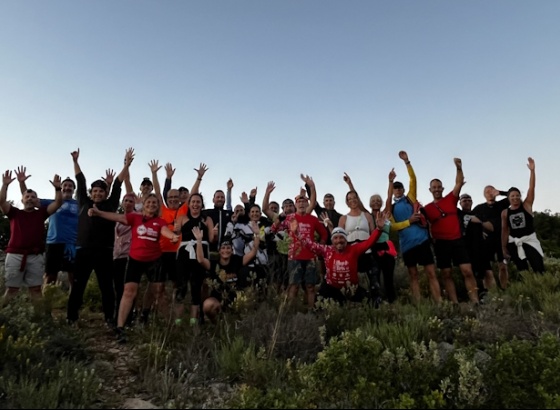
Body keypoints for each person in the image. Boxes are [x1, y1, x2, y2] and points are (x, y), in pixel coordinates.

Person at [88, 193, 179, 342]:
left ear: (157, 207)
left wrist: (173, 237)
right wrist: (98, 213)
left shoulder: (159, 221)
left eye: (154, 203)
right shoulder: (135, 218)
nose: (151, 204)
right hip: (135, 260)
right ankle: (120, 328)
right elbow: (117, 217)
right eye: (149, 202)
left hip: (154, 261)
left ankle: (172, 326)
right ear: (144, 204)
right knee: (129, 292)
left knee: (159, 293)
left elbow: (165, 231)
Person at [66, 147, 134, 326]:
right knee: (78, 286)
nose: (97, 194)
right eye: (95, 191)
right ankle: (71, 318)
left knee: (106, 288)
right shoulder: (83, 201)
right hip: (83, 251)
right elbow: (80, 180)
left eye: (101, 191)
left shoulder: (111, 204)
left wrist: (126, 165)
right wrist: (75, 162)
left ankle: (109, 318)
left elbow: (118, 183)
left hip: (105, 252)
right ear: (91, 192)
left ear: (105, 193)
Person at [290, 211, 389, 305]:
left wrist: (379, 229)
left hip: (351, 288)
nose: (339, 241)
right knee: (318, 304)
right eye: (335, 238)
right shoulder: (327, 250)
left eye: (341, 237)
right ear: (332, 241)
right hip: (331, 288)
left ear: (346, 240)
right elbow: (310, 244)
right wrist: (297, 233)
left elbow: (369, 242)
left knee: (369, 303)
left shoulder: (354, 249)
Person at [0, 170, 62, 306]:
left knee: (36, 290)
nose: (29, 198)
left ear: (37, 201)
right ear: (22, 200)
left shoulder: (41, 213)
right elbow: (1, 201)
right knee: (11, 290)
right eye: (27, 196)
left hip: (35, 255)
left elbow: (58, 203)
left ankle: (41, 320)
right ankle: (3, 317)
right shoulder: (14, 213)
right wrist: (5, 185)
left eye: (33, 197)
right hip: (15, 255)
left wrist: (58, 188)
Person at [423, 158, 479, 304]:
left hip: (457, 240)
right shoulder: (427, 208)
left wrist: (459, 168)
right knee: (447, 274)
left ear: (442, 188)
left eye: (438, 187)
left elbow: (459, 183)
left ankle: (475, 301)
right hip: (441, 243)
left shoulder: (451, 199)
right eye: (433, 187)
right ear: (430, 190)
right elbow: (423, 223)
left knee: (467, 271)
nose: (436, 189)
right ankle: (454, 304)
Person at [389, 151, 442, 303]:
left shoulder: (410, 198)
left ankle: (439, 302)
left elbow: (413, 179)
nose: (398, 189)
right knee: (413, 275)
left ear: (404, 190)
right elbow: (393, 227)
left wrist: (407, 162)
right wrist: (409, 221)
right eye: (395, 187)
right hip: (407, 246)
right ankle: (418, 305)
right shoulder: (391, 208)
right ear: (392, 190)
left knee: (431, 273)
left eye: (400, 187)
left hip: (422, 241)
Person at [271, 175, 328, 309]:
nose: (302, 204)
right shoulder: (290, 218)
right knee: (294, 286)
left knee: (310, 287)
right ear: (296, 205)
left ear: (308, 204)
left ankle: (310, 312)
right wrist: (279, 218)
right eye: (299, 202)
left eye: (304, 202)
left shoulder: (313, 219)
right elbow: (274, 228)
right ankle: (290, 312)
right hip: (294, 257)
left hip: (310, 257)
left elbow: (324, 234)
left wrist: (320, 248)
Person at [16, 166, 79, 288]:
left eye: (70, 186)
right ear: (60, 187)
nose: (67, 187)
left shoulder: (79, 204)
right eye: (64, 185)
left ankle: (74, 303)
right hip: (54, 242)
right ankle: (46, 302)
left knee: (74, 276)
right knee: (50, 275)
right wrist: (22, 183)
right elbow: (28, 198)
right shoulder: (50, 203)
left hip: (72, 243)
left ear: (73, 189)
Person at [194, 223, 260, 322]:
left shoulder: (237, 261)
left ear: (232, 250)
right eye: (223, 248)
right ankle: (216, 323)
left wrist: (257, 235)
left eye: (228, 248)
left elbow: (254, 251)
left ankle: (235, 323)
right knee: (208, 305)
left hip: (234, 299)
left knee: (248, 303)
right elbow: (200, 259)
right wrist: (199, 241)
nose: (226, 250)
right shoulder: (213, 264)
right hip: (218, 299)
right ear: (219, 251)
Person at [174, 193, 215, 325]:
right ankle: (177, 320)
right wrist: (175, 230)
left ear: (202, 204)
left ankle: (194, 320)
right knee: (181, 286)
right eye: (193, 202)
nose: (195, 204)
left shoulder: (207, 219)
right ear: (189, 204)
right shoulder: (181, 218)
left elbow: (211, 238)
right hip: (184, 253)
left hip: (201, 253)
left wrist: (214, 232)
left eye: (198, 202)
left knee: (196, 285)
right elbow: (176, 234)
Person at [501, 157, 545, 273]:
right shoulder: (505, 212)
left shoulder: (526, 205)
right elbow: (505, 230)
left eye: (517, 195)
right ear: (509, 198)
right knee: (522, 270)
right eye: (512, 196)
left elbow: (531, 188)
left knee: (538, 267)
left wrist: (532, 171)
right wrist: (504, 247)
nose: (515, 198)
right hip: (514, 242)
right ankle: (526, 290)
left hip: (529, 240)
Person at [473, 186, 510, 288]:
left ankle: (504, 288)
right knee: (486, 269)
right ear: (484, 194)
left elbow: (515, 194)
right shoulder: (479, 208)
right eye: (487, 191)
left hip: (501, 240)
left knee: (503, 267)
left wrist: (501, 192)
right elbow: (470, 220)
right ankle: (490, 293)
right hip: (486, 241)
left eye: (491, 190)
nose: (490, 193)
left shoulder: (502, 204)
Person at [458, 193, 489, 300]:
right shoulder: (458, 213)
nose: (466, 202)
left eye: (468, 200)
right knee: (468, 273)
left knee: (485, 272)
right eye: (464, 200)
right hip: (465, 247)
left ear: (472, 202)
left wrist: (482, 227)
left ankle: (488, 295)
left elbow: (489, 225)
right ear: (460, 203)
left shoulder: (478, 213)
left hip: (480, 246)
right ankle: (473, 298)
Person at [112, 193, 136, 323]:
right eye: (125, 201)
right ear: (122, 203)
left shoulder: (138, 217)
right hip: (117, 256)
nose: (127, 203)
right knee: (118, 288)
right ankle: (118, 317)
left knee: (129, 289)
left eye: (130, 201)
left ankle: (129, 319)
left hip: (130, 256)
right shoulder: (117, 218)